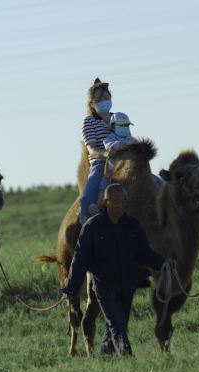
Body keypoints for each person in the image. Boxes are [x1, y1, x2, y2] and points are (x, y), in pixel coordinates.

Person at [61, 184, 167, 357]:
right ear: (106, 202)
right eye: (116, 202)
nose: (120, 205)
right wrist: (71, 288)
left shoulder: (132, 226)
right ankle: (128, 361)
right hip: (104, 288)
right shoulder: (92, 227)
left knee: (117, 327)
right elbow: (80, 260)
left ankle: (105, 358)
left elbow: (144, 253)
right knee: (117, 325)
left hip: (127, 287)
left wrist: (164, 264)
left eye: (123, 202)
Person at [79, 78, 113, 224]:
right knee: (90, 192)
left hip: (121, 159)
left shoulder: (117, 118)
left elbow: (127, 137)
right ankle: (85, 219)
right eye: (100, 99)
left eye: (107, 97)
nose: (104, 101)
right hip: (100, 161)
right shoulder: (89, 121)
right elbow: (91, 148)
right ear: (92, 103)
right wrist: (105, 154)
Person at [103, 112, 137, 179]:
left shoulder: (130, 138)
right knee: (103, 185)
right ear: (113, 126)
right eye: (121, 125)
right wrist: (130, 146)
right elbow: (113, 146)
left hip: (133, 172)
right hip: (114, 173)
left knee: (157, 181)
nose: (125, 127)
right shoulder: (109, 138)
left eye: (126, 125)